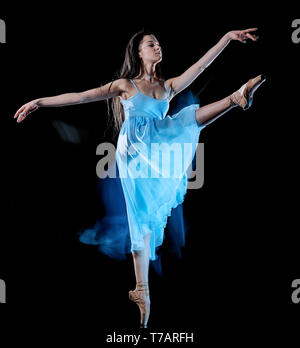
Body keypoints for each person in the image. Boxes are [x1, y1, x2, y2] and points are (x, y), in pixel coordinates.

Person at [13, 28, 265, 328]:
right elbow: (81, 97)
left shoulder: (168, 86)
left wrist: (226, 38)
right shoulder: (126, 85)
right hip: (133, 156)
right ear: (138, 52)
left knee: (180, 127)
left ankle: (141, 290)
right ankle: (142, 290)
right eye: (151, 44)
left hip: (157, 152)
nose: (158, 47)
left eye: (159, 43)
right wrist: (40, 102)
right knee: (141, 217)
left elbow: (202, 66)